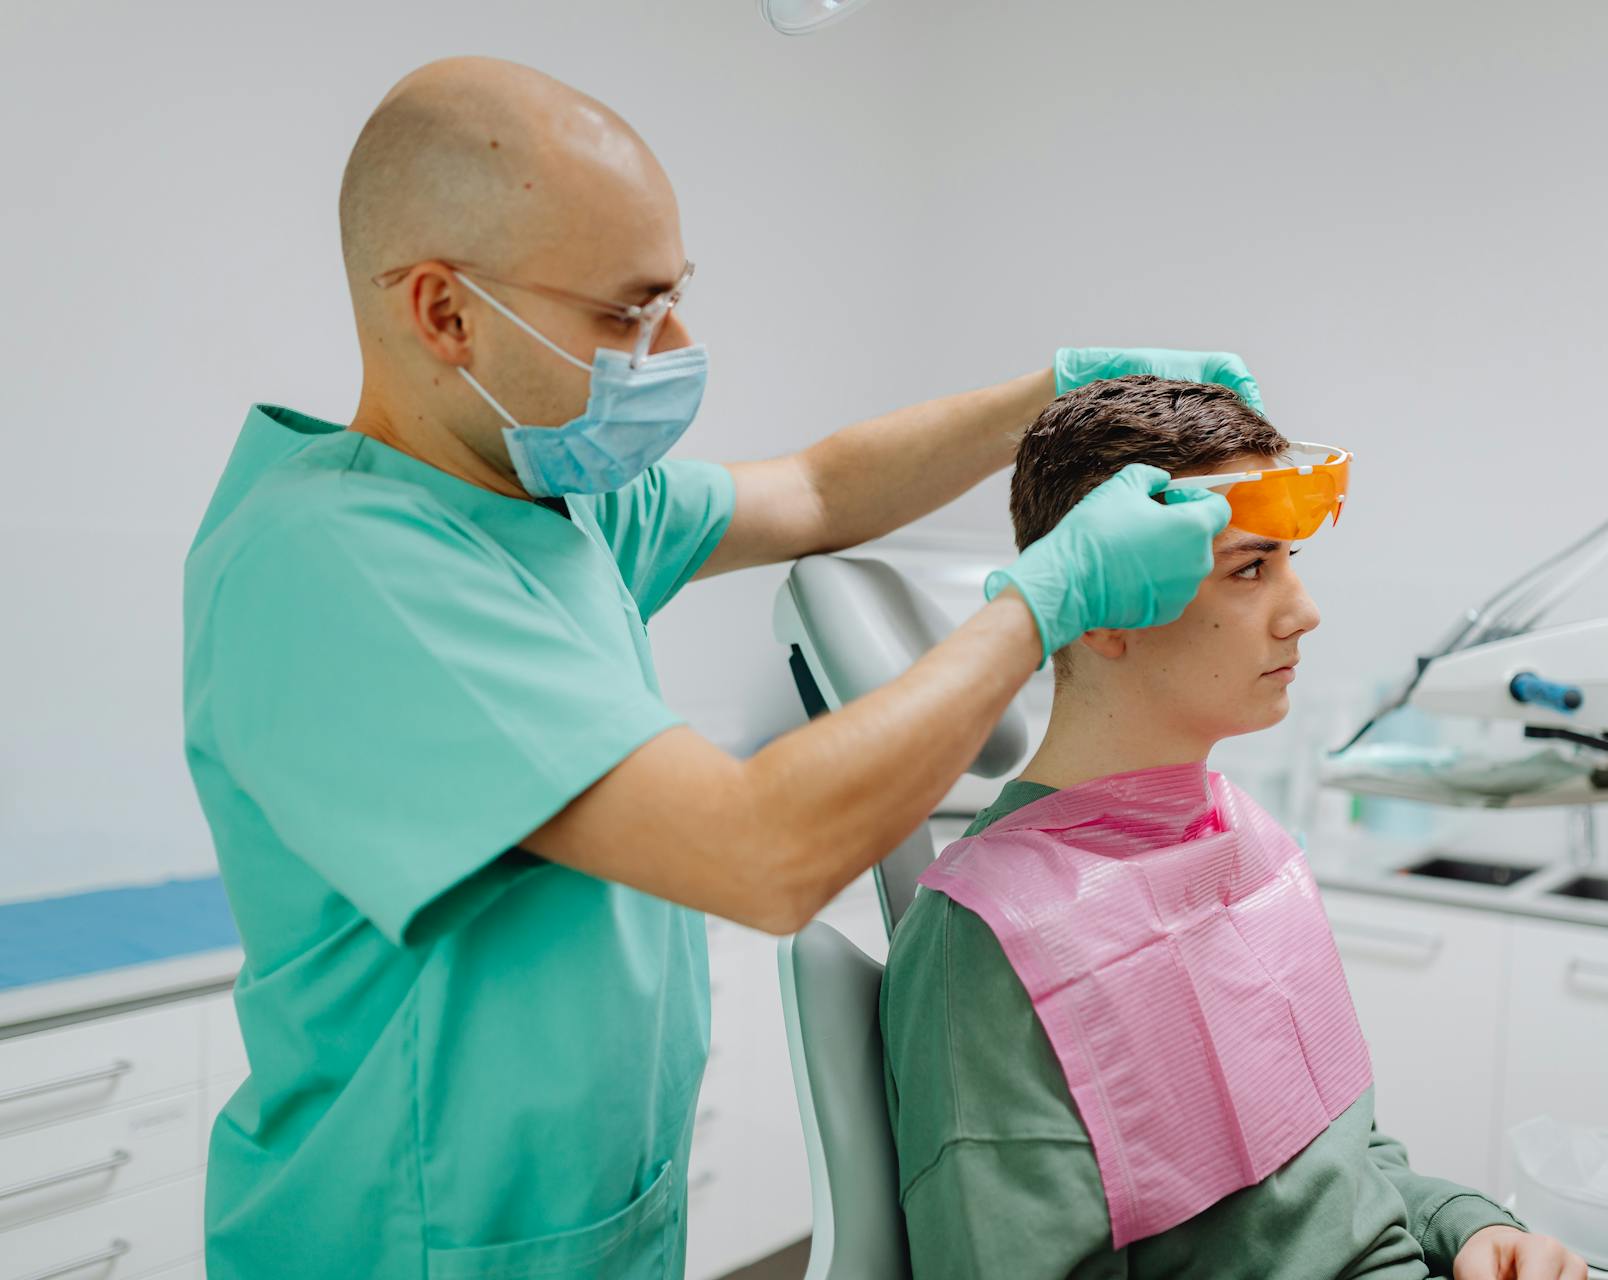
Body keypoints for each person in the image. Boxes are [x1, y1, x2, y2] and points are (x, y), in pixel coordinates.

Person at [181, 56, 1260, 1279]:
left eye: (676, 297)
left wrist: (1053, 395)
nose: (676, 345)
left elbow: (814, 489)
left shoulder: (546, 499)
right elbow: (762, 852)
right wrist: (1046, 597)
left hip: (587, 1222)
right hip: (415, 1242)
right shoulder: (343, 565)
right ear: (444, 312)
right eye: (627, 312)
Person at [880, 377, 1588, 1280]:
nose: (1303, 611)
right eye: (1250, 569)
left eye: (1288, 561)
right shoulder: (995, 937)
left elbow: (1343, 1172)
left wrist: (1470, 1226)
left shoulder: (1238, 838)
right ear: (1103, 605)